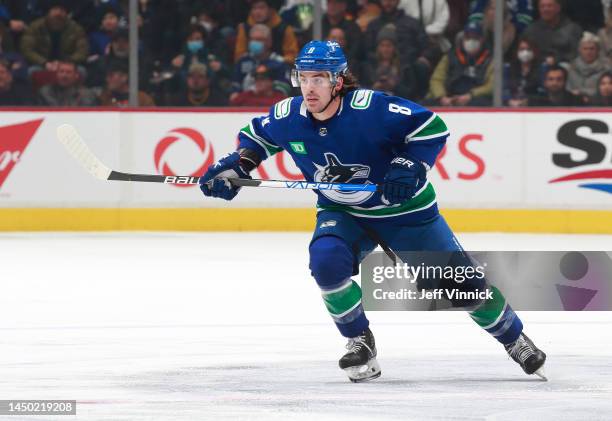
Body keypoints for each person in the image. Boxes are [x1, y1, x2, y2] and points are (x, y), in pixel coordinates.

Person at [198, 40, 547, 383]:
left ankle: (514, 339)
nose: (309, 87)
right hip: (344, 211)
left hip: (407, 214)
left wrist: (410, 165)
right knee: (325, 262)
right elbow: (258, 136)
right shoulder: (288, 115)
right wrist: (240, 165)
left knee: (463, 288)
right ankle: (359, 339)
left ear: (338, 80)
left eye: (319, 78)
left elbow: (431, 127)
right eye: (303, 78)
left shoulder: (371, 109)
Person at [427, 21, 494, 106]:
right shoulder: (450, 56)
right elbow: (436, 79)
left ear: (482, 39)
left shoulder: (490, 59)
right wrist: (442, 97)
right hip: (448, 97)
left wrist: (470, 95)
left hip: (475, 99)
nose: (471, 41)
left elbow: (492, 85)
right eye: (468, 37)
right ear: (463, 39)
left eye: (475, 38)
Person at [20, 0, 89, 71]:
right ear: (48, 12)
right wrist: (44, 63)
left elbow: (82, 52)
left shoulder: (76, 29)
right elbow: (27, 50)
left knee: (81, 71)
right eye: (55, 9)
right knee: (32, 71)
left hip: (68, 65)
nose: (58, 13)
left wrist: (66, 62)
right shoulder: (35, 27)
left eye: (62, 10)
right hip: (42, 64)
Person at [522, 0, 582, 64]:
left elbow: (576, 53)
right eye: (542, 6)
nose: (546, 9)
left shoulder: (573, 29)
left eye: (549, 6)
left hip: (565, 66)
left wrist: (556, 59)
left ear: (558, 8)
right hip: (537, 67)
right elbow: (523, 51)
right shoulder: (531, 30)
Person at [567, 32, 608, 99]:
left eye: (592, 49)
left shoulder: (607, 68)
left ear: (598, 50)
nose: (588, 52)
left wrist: (582, 92)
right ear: (580, 50)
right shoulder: (571, 67)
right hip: (574, 102)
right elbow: (568, 89)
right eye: (585, 49)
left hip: (598, 103)